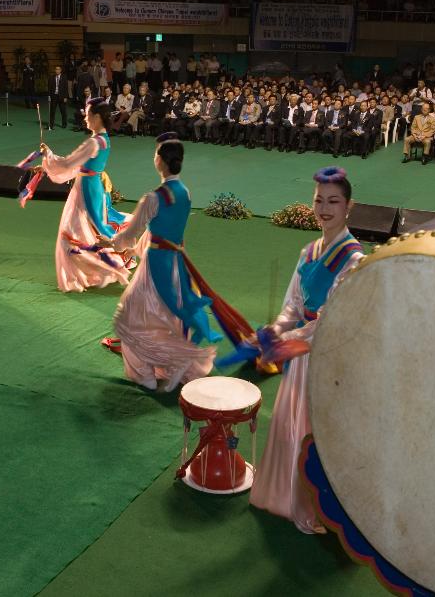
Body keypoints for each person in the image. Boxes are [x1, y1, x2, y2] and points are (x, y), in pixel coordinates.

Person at [250, 167, 364, 533]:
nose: (324, 208)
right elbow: (293, 307)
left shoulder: (354, 260)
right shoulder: (309, 250)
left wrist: (288, 343)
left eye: (333, 201)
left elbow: (333, 321)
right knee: (292, 427)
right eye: (319, 200)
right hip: (299, 352)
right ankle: (287, 496)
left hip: (328, 357)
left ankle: (319, 509)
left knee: (318, 432)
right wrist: (275, 328)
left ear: (349, 206)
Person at [103, 134, 228, 391]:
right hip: (175, 262)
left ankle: (147, 374)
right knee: (167, 318)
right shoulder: (185, 193)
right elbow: (164, 232)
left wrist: (111, 243)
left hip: (155, 264)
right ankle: (172, 365)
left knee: (127, 318)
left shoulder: (153, 198)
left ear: (159, 161)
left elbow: (131, 233)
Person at [39, 99, 132, 292]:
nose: (85, 117)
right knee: (85, 231)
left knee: (72, 234)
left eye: (88, 114)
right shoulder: (104, 139)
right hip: (92, 185)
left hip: (86, 190)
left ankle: (107, 269)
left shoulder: (93, 143)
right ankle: (105, 267)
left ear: (97, 117)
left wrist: (48, 155)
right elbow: (80, 167)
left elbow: (68, 164)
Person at [47, 65, 68, 131]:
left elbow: (66, 88)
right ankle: (51, 125)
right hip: (54, 96)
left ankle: (64, 124)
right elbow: (49, 87)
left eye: (58, 69)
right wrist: (49, 96)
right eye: (56, 69)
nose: (57, 70)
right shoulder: (51, 77)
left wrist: (65, 97)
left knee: (63, 111)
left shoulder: (64, 77)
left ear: (60, 70)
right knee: (52, 112)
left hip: (62, 97)